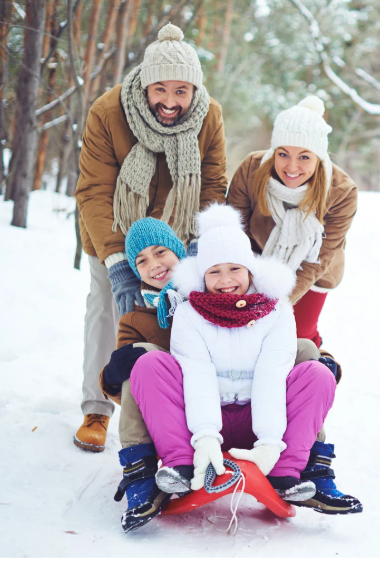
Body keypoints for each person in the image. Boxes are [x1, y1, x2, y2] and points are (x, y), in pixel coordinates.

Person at [98, 216, 332, 532]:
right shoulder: (136, 318)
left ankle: (309, 465)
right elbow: (134, 391)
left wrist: (324, 364)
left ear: (180, 254)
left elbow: (281, 359)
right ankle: (142, 473)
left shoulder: (252, 297)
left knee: (306, 351)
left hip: (250, 404)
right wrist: (112, 376)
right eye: (141, 261)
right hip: (179, 414)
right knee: (145, 358)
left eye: (160, 252)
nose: (154, 264)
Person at [74, 22, 227, 453]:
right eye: (161, 90)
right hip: (115, 230)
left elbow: (213, 183)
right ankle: (97, 408)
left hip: (177, 234)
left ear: (195, 90)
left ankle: (172, 412)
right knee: (108, 305)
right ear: (145, 84)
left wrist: (197, 246)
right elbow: (94, 190)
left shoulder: (208, 115)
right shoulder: (109, 111)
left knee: (180, 317)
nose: (170, 101)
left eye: (182, 92)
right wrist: (119, 263)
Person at [226, 95, 361, 515]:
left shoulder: (340, 190)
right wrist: (244, 292)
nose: (292, 166)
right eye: (283, 153)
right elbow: (232, 234)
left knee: (299, 346)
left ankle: (314, 461)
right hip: (252, 263)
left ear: (319, 158)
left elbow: (318, 258)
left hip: (310, 275)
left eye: (304, 157)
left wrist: (276, 301)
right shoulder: (252, 169)